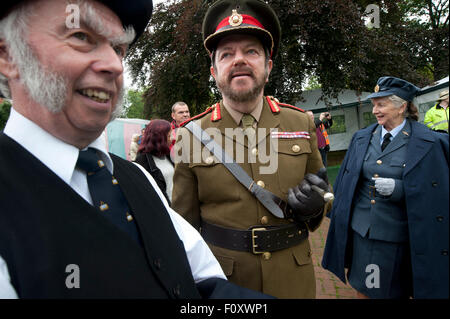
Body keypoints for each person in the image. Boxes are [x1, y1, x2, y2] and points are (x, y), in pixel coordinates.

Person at [0, 0, 270, 299]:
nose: (115, 65)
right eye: (80, 37)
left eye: (118, 50)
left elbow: (204, 282)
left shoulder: (136, 178)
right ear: (7, 54)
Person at [172, 0, 332, 298]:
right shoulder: (191, 135)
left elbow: (323, 193)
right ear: (214, 70)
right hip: (226, 282)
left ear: (268, 67)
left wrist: (316, 207)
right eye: (227, 54)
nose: (239, 60)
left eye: (251, 51)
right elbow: (185, 227)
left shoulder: (300, 122)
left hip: (293, 280)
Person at [322, 76, 449, 299]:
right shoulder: (361, 138)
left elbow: (437, 190)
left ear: (401, 107)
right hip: (364, 235)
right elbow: (346, 181)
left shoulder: (428, 142)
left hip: (400, 236)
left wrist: (400, 188)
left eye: (381, 104)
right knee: (366, 289)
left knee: (394, 290)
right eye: (374, 104)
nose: (375, 110)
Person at [134, 119, 174, 204]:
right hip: (164, 210)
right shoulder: (142, 161)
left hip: (177, 209)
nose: (173, 138)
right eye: (169, 135)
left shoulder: (168, 155)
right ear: (160, 138)